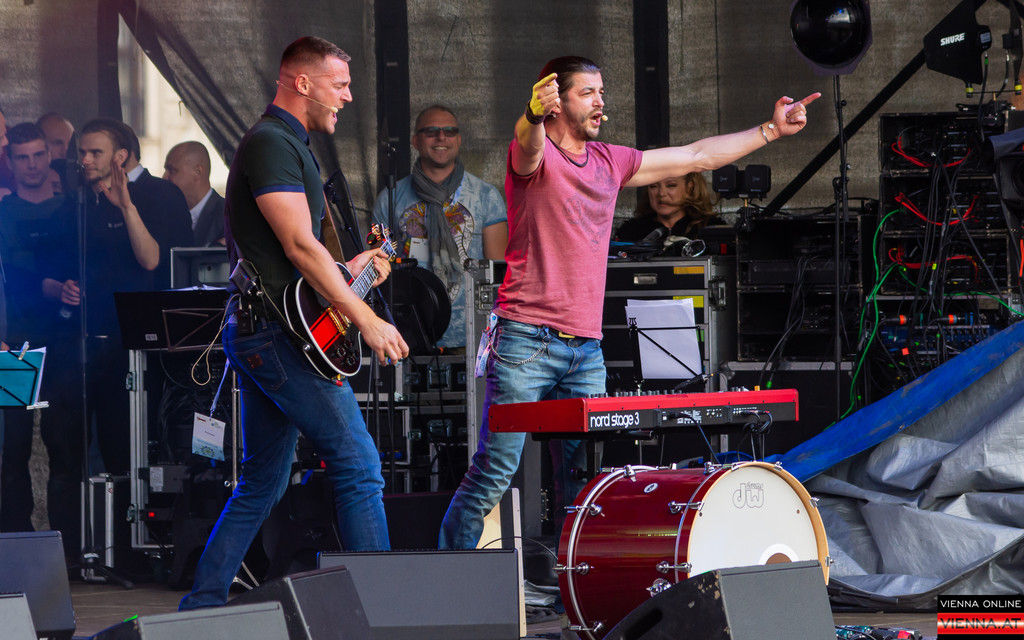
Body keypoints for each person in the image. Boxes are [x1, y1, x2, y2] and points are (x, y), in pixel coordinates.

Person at [439, 55, 819, 550]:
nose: (601, 102)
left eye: (602, 92)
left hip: (585, 349)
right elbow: (526, 144)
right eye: (588, 93)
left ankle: (571, 581)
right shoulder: (536, 155)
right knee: (494, 471)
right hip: (524, 341)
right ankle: (449, 575)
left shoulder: (610, 161)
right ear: (555, 101)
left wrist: (770, 130)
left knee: (585, 483)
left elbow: (696, 156)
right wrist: (531, 115)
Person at [179, 36, 408, 610]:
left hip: (273, 332)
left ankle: (202, 604)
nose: (348, 97)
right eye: (340, 85)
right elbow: (300, 248)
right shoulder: (271, 143)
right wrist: (367, 319)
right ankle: (380, 611)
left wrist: (357, 271)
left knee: (263, 481)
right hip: (279, 339)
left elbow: (301, 264)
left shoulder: (289, 145)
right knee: (359, 466)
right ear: (303, 83)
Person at [61, 118, 191, 476]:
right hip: (94, 337)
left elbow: (153, 261)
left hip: (145, 341)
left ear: (120, 156)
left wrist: (126, 207)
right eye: (82, 152)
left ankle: (136, 511)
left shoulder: (158, 195)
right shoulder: (86, 200)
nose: (84, 160)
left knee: (134, 446)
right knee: (94, 447)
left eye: (95, 152)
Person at [0, 122, 83, 561]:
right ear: (10, 162)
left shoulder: (73, 210)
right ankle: (16, 546)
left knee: (64, 444)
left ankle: (69, 549)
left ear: (49, 156)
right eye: (22, 157)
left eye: (37, 155)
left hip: (63, 342)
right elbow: (14, 277)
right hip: (14, 344)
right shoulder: (3, 214)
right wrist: (50, 287)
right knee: (12, 446)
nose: (31, 164)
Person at [372, 105, 507, 349]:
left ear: (459, 140)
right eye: (431, 131)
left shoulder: (486, 196)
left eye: (449, 131)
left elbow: (498, 276)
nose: (441, 137)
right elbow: (377, 268)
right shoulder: (389, 199)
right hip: (410, 338)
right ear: (415, 141)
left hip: (474, 340)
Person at [614, 172, 723, 242]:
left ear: (690, 188)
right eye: (653, 186)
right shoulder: (630, 231)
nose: (661, 193)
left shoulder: (712, 229)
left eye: (671, 185)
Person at [162, 141, 226, 246]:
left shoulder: (229, 217)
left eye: (172, 171)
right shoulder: (165, 216)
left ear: (198, 172)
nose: (164, 177)